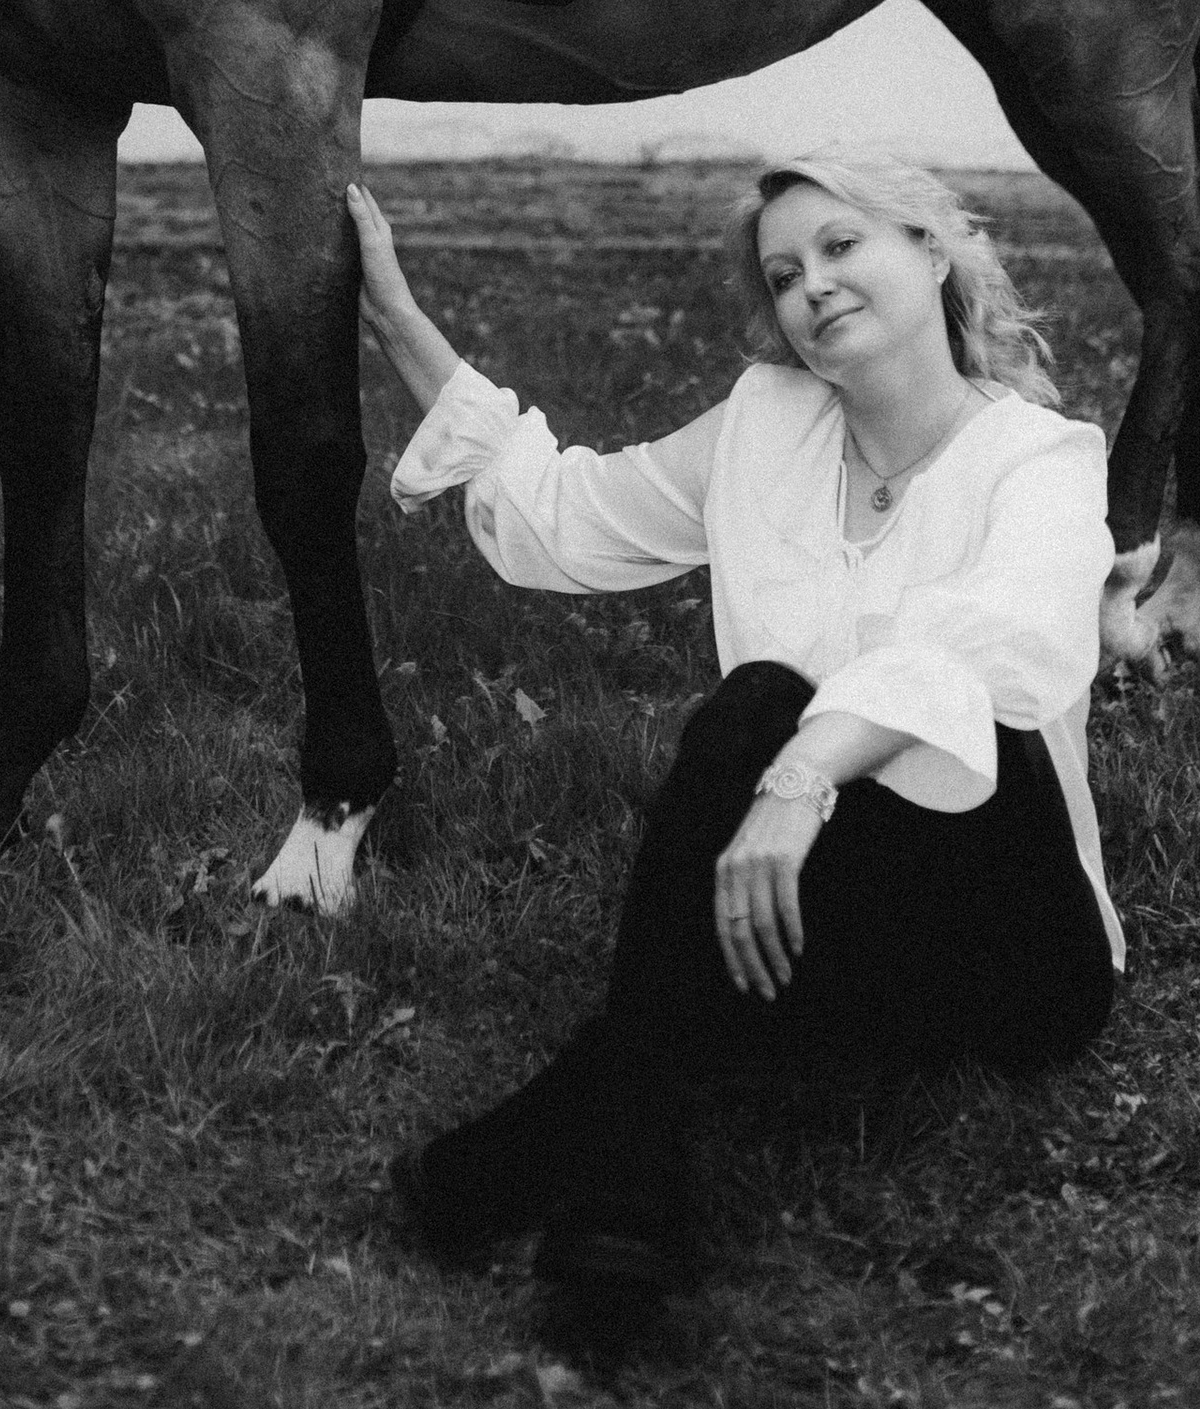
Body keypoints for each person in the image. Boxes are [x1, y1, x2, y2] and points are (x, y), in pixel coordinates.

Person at [346, 152, 1123, 1301]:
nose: (810, 284)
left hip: (1012, 952)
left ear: (932, 249)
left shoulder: (1043, 461)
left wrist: (799, 776)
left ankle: (542, 1153)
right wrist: (394, 316)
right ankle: (628, 1209)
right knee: (753, 705)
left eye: (841, 245)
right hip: (824, 924)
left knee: (768, 710)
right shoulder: (770, 422)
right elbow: (569, 517)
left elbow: (992, 643)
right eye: (782, 272)